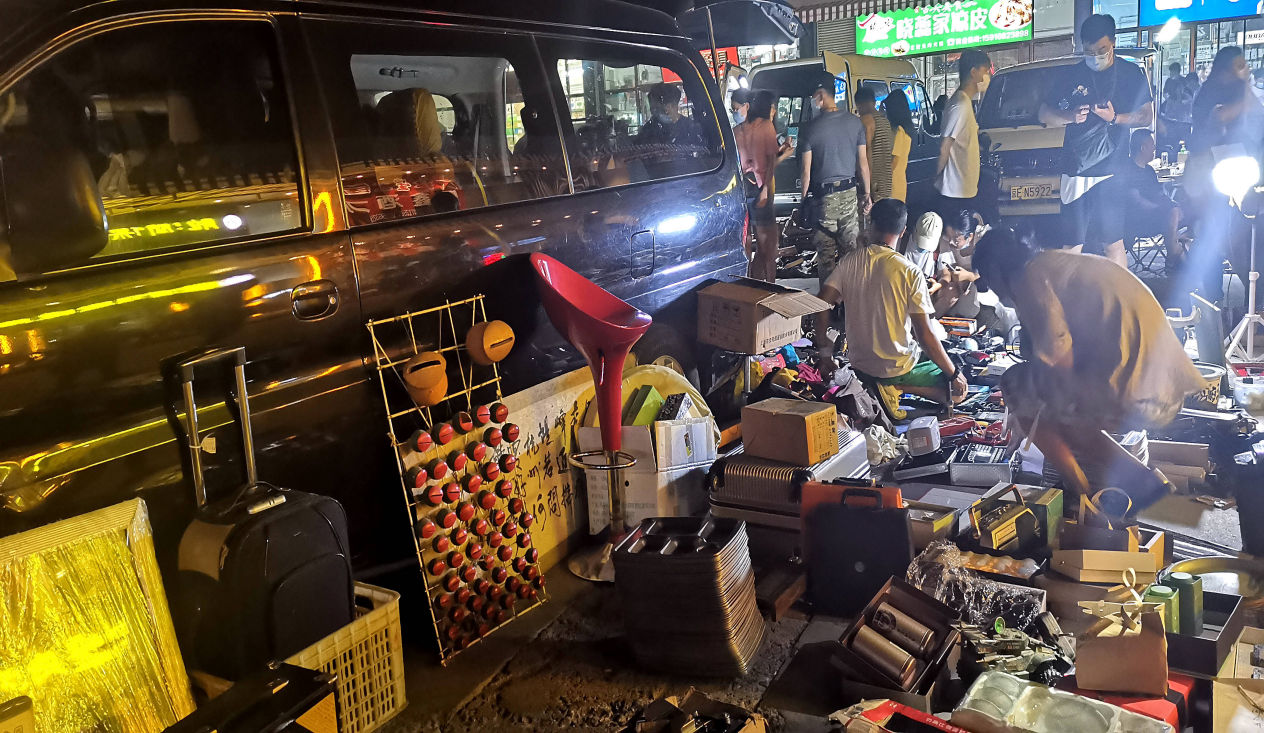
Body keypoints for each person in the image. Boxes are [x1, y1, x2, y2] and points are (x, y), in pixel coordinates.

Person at [973, 229, 1205, 504]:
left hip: (1138, 392)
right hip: (1165, 389)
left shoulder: (1028, 278)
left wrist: (1026, 410)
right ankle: (1143, 481)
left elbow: (1060, 356)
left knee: (1016, 387)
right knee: (1059, 411)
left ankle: (1082, 493)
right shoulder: (1054, 263)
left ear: (994, 272)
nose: (996, 294)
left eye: (989, 283)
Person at [815, 198, 968, 414]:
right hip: (897, 368)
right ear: (904, 231)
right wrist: (954, 374)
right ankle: (896, 387)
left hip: (860, 368)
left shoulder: (849, 262)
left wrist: (825, 354)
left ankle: (880, 387)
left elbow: (820, 304)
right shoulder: (909, 272)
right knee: (958, 390)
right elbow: (924, 335)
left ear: (871, 224)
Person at [1039, 13, 1153, 267]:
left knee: (1113, 244)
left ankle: (1117, 300)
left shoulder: (1131, 74)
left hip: (1113, 171)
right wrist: (1068, 116)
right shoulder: (1071, 74)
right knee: (1071, 246)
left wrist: (1116, 118)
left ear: (1113, 42)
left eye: (1101, 49)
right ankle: (1067, 302)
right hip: (1076, 170)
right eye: (1088, 51)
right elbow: (1044, 114)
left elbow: (1146, 117)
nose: (1095, 57)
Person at [735, 90, 789, 281]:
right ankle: (771, 286)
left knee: (748, 242)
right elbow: (770, 161)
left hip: (743, 189)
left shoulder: (736, 131)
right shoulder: (766, 126)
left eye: (735, 108)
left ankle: (753, 284)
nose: (735, 112)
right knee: (768, 245)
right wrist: (765, 190)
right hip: (759, 188)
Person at [1121, 129, 1186, 267]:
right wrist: (1165, 210)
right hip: (1136, 220)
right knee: (1172, 212)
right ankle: (1172, 254)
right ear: (1143, 148)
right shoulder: (1128, 170)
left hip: (1153, 214)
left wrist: (1173, 204)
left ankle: (1183, 247)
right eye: (1152, 145)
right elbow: (1136, 202)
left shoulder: (1149, 170)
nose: (1154, 148)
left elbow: (1160, 194)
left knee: (1187, 207)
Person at [937, 49, 991, 211]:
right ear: (973, 72)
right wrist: (937, 180)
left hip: (963, 191)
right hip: (954, 193)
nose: (987, 77)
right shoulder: (959, 105)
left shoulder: (965, 103)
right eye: (985, 72)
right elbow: (944, 146)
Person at [637, 82, 703, 147]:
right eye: (651, 108)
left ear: (669, 107)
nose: (651, 111)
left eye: (655, 108)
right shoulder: (649, 129)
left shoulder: (690, 129)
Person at [856, 86, 893, 202]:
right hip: (886, 181)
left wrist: (868, 184)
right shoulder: (885, 121)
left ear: (860, 104)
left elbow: (867, 153)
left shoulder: (866, 121)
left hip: (874, 183)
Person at [886, 88, 915, 203]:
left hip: (892, 187)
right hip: (900, 183)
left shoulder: (899, 132)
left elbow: (894, 161)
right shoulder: (906, 130)